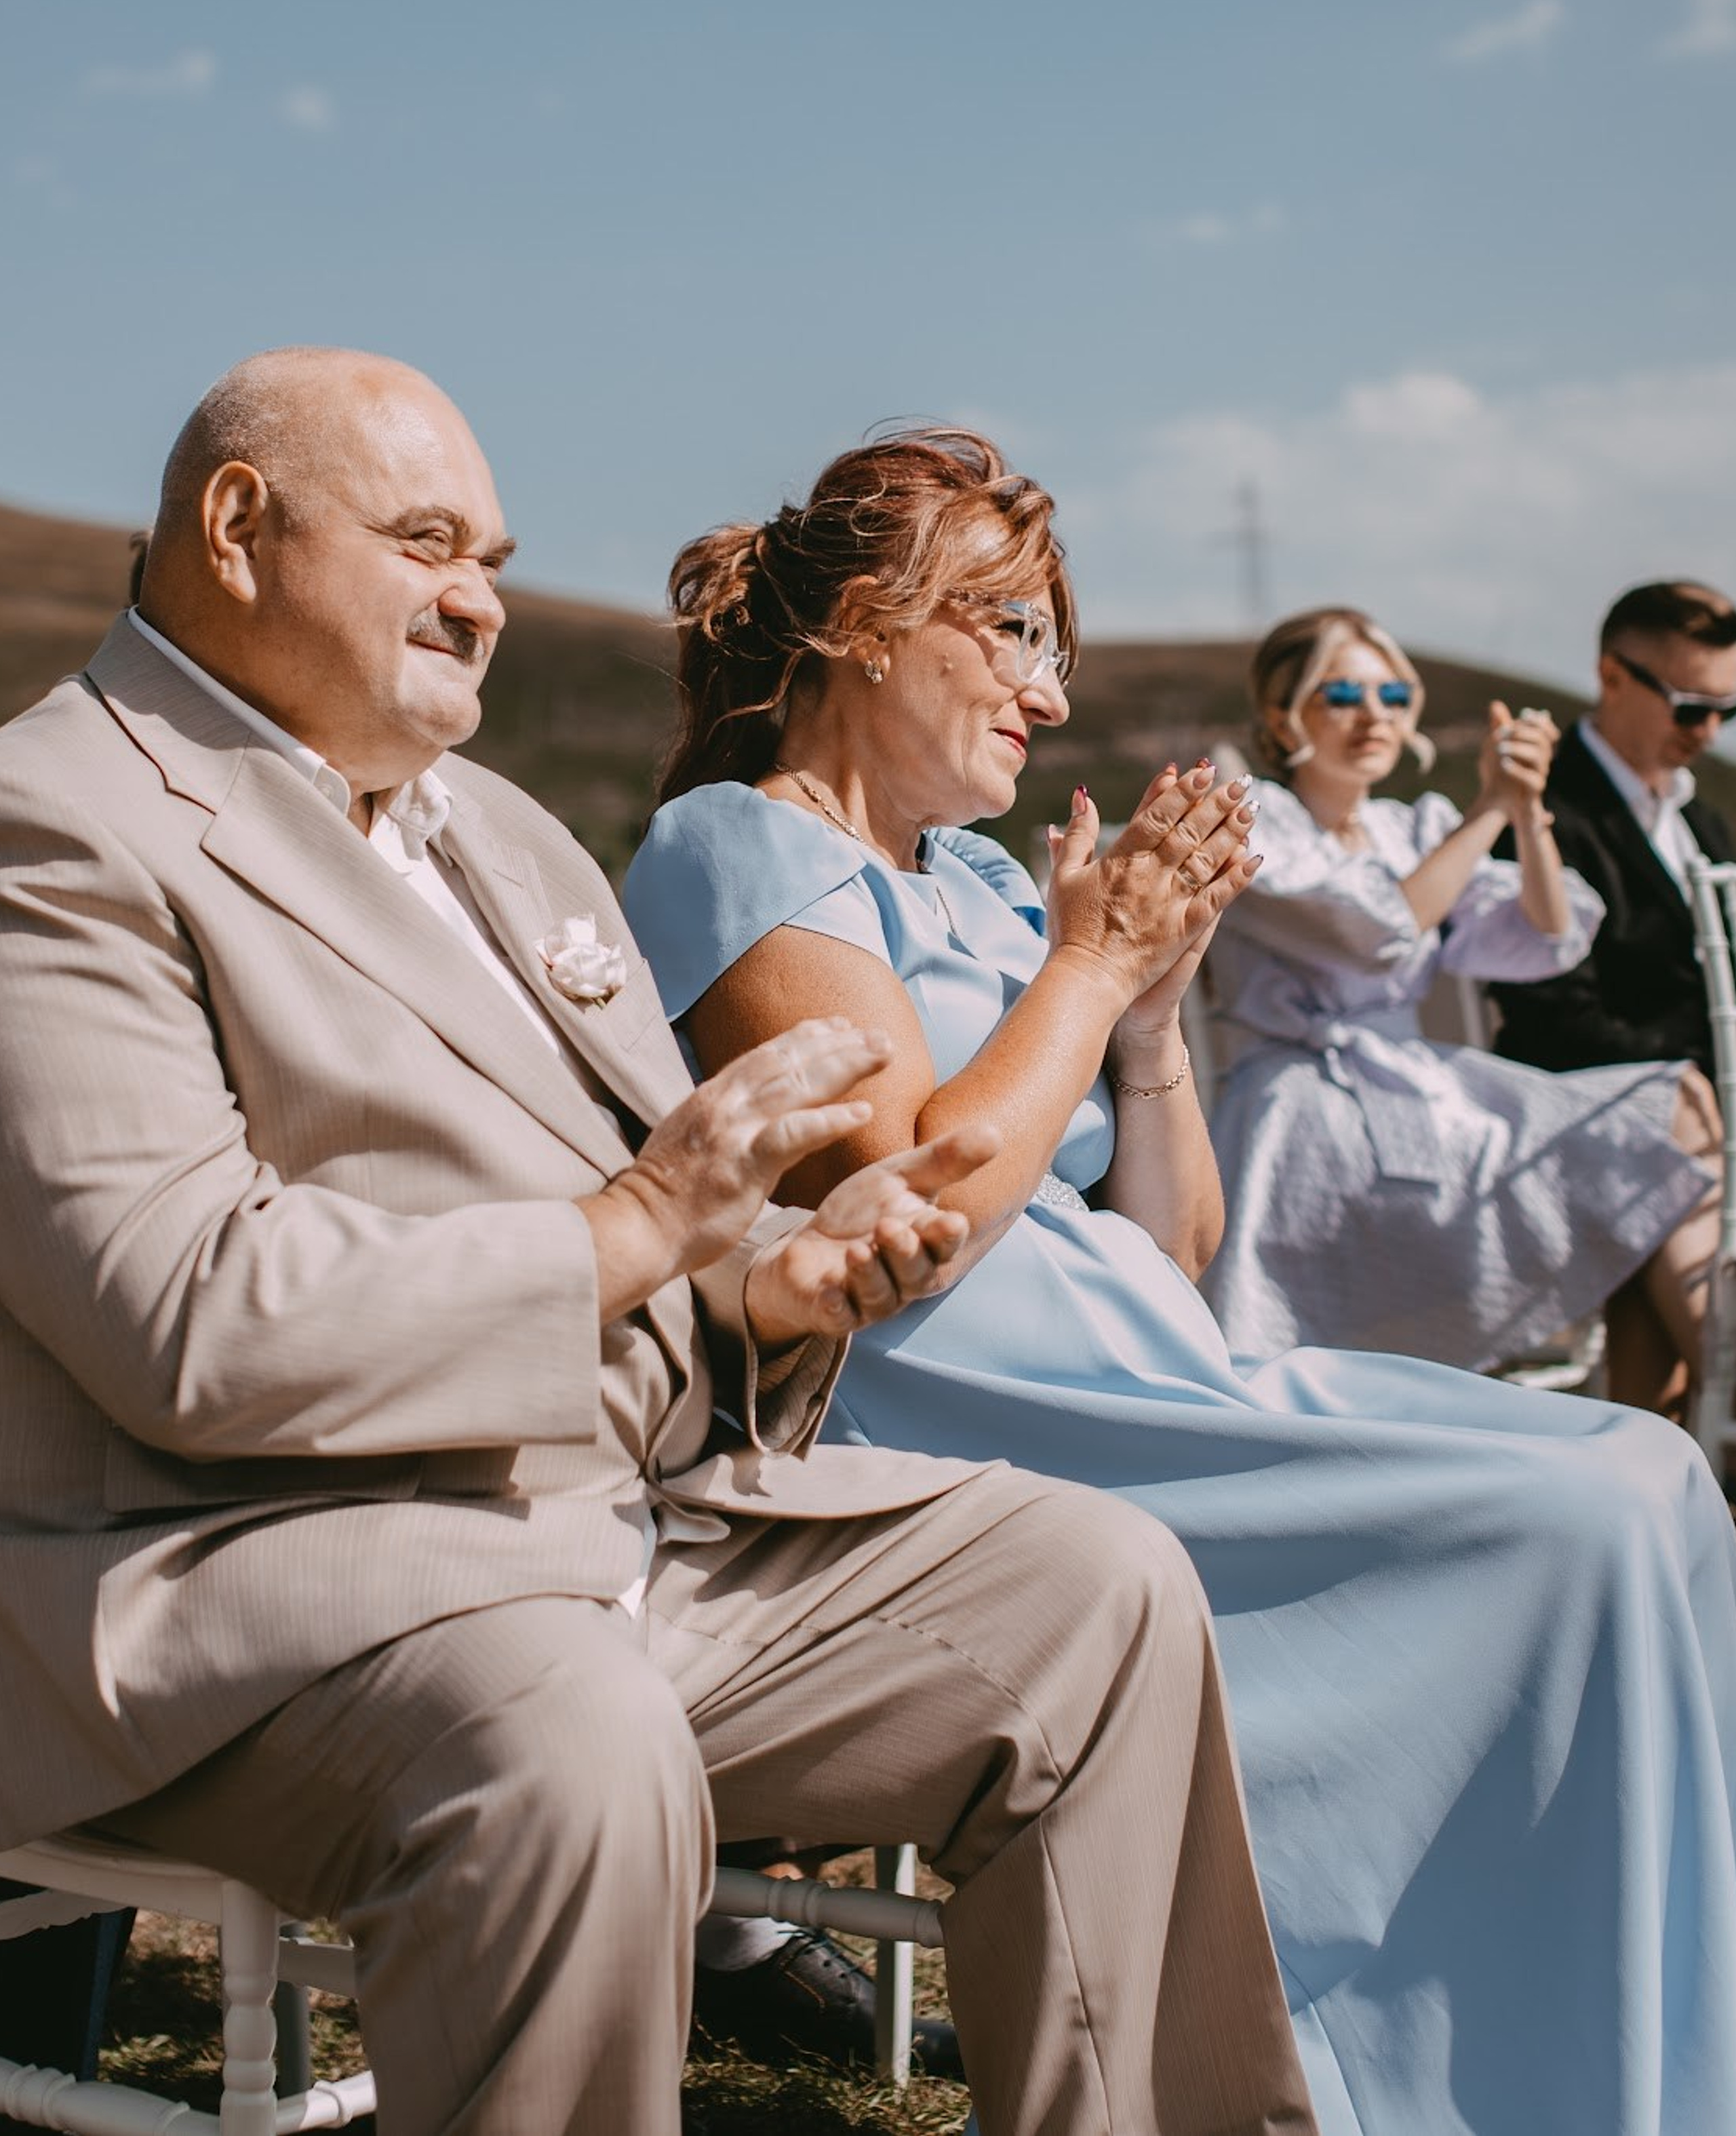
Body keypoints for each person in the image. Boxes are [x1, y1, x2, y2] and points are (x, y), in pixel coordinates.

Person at [0, 353, 1318, 2136]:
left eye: (493, 558)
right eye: (426, 545)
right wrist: (632, 1229)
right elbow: (190, 1321)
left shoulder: (508, 838)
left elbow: (659, 1215)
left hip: (623, 1528)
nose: (482, 600)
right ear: (238, 529)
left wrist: (766, 1279)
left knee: (1098, 1587)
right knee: (573, 1743)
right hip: (256, 1581)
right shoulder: (55, 823)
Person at [625, 427, 1736, 2136]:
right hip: (971, 1422)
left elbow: (1171, 1249)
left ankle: (1638, 2070)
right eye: (1009, 630)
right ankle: (1442, 2079)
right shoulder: (740, 845)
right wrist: (1088, 963)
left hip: (1151, 1372)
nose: (1046, 691)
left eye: (1053, 645)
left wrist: (1145, 1023)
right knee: (1572, 1523)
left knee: (1650, 1473)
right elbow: (907, 1200)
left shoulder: (974, 882)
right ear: (861, 628)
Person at [1198, 606, 1718, 1393]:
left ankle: (1684, 1418)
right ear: (1281, 714)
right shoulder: (1255, 824)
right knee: (1652, 1158)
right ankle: (1715, 1404)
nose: (1374, 716)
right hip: (1309, 1123)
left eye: (1392, 696)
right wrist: (1488, 810)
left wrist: (1526, 811)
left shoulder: (1409, 828)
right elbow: (1376, 931)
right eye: (1342, 694)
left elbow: (1545, 934)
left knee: (1672, 1120)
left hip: (1425, 1098)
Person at [1490, 581, 1736, 1083]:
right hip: (1614, 1108)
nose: (1709, 731)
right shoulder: (1538, 817)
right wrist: (1697, 1074)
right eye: (1690, 708)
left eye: (1728, 710)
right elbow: (1553, 1024)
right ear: (1612, 676)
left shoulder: (1704, 824)